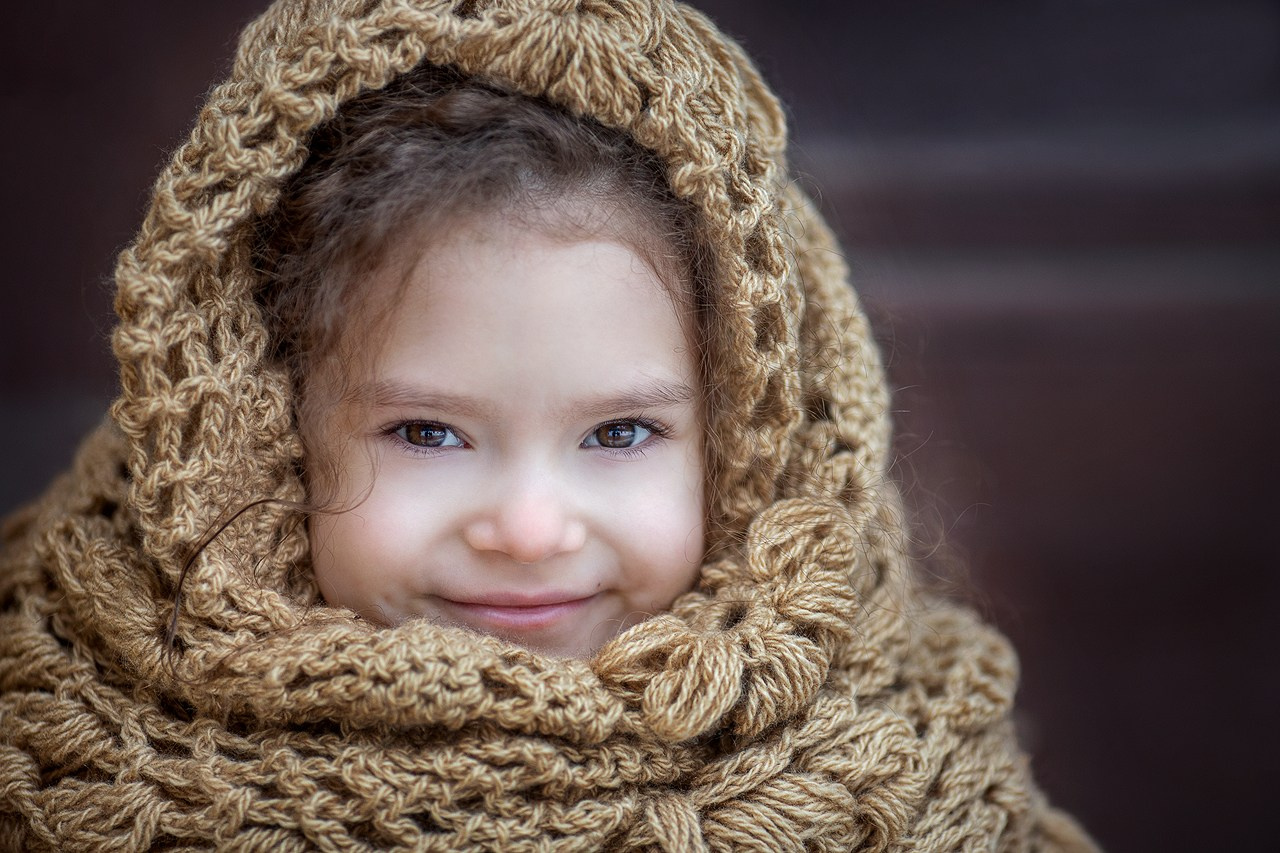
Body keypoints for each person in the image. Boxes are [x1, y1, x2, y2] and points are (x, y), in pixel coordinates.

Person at [0, 0, 1096, 849]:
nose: (528, 532)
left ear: (745, 446)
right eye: (427, 432)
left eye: (619, 433)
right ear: (261, 433)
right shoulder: (49, 739)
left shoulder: (901, 772)